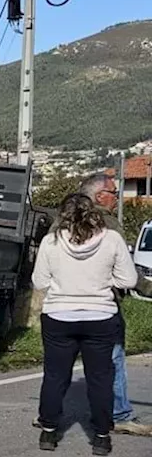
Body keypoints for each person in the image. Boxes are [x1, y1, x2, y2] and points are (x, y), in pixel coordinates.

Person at [32, 193, 139, 455]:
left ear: (62, 214)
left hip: (59, 316)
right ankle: (101, 436)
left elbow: (39, 282)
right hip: (100, 317)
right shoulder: (111, 239)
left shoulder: (51, 241)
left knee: (56, 375)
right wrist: (105, 280)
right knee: (100, 377)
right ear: (93, 211)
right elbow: (129, 280)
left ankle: (48, 431)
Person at [77, 173, 152, 436]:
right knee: (113, 358)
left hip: (64, 306)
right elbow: (126, 270)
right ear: (99, 197)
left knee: (60, 361)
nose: (116, 198)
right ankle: (119, 414)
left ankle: (49, 414)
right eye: (113, 193)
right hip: (102, 305)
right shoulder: (107, 224)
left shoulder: (62, 222)